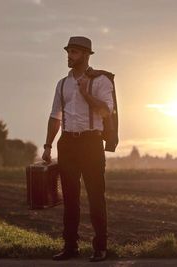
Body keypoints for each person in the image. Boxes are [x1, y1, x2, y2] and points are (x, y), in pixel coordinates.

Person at [42, 36, 113, 262]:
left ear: (85, 54)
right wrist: (47, 145)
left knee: (95, 197)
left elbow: (105, 112)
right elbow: (55, 116)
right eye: (68, 51)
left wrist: (85, 93)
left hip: (91, 143)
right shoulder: (62, 83)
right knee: (70, 199)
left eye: (74, 52)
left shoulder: (101, 81)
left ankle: (100, 248)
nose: (69, 56)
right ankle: (70, 246)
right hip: (68, 143)